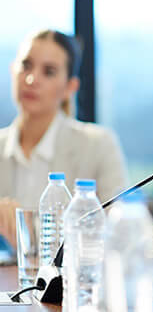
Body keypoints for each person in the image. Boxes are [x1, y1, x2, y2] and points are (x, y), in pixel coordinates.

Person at [0, 30, 128, 248]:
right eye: (26, 66)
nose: (31, 79)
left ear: (70, 87)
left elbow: (121, 234)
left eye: (48, 72)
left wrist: (30, 234)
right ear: (13, 70)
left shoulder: (98, 145)